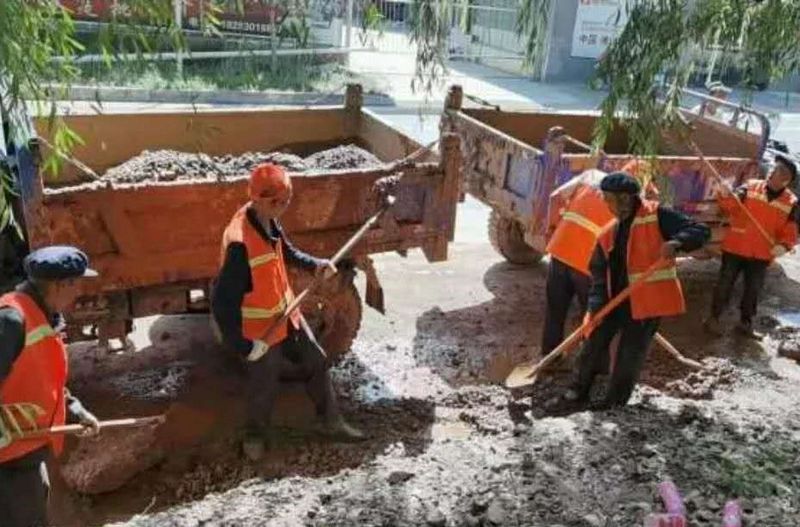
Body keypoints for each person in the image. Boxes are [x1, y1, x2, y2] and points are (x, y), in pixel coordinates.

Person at [212, 163, 363, 462]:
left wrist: (315, 264)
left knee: (316, 359)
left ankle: (331, 422)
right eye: (280, 202)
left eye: (287, 200)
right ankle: (255, 435)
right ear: (262, 200)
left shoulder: (266, 219)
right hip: (261, 329)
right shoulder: (240, 245)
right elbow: (221, 303)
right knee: (264, 384)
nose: (284, 207)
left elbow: (287, 251)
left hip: (287, 313)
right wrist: (244, 346)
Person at [569, 172, 710, 407]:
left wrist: (677, 242)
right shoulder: (608, 233)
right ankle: (577, 390)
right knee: (592, 344)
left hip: (645, 304)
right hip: (613, 301)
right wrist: (596, 307)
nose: (607, 205)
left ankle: (614, 402)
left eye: (610, 199)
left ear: (626, 198)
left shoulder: (658, 216)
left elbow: (700, 230)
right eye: (605, 199)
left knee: (629, 354)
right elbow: (598, 274)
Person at [0, 245, 101, 527]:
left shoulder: (42, 317)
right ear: (59, 286)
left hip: (26, 449)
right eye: (76, 283)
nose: (79, 291)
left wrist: (75, 410)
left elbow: (41, 379)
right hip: (8, 456)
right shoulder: (11, 320)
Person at [540, 160, 658, 364]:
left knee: (555, 310)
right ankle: (594, 366)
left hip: (560, 251)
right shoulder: (631, 205)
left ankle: (550, 358)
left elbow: (555, 197)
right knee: (596, 318)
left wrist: (552, 229)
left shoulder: (591, 176)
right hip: (587, 265)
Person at [705, 153, 799, 340]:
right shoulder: (750, 187)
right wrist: (724, 193)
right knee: (724, 285)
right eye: (773, 169)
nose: (771, 172)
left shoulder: (791, 203)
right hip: (736, 247)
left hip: (761, 254)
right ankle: (713, 319)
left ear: (786, 180)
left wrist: (784, 245)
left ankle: (745, 324)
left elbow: (791, 231)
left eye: (778, 171)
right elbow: (730, 207)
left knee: (753, 290)